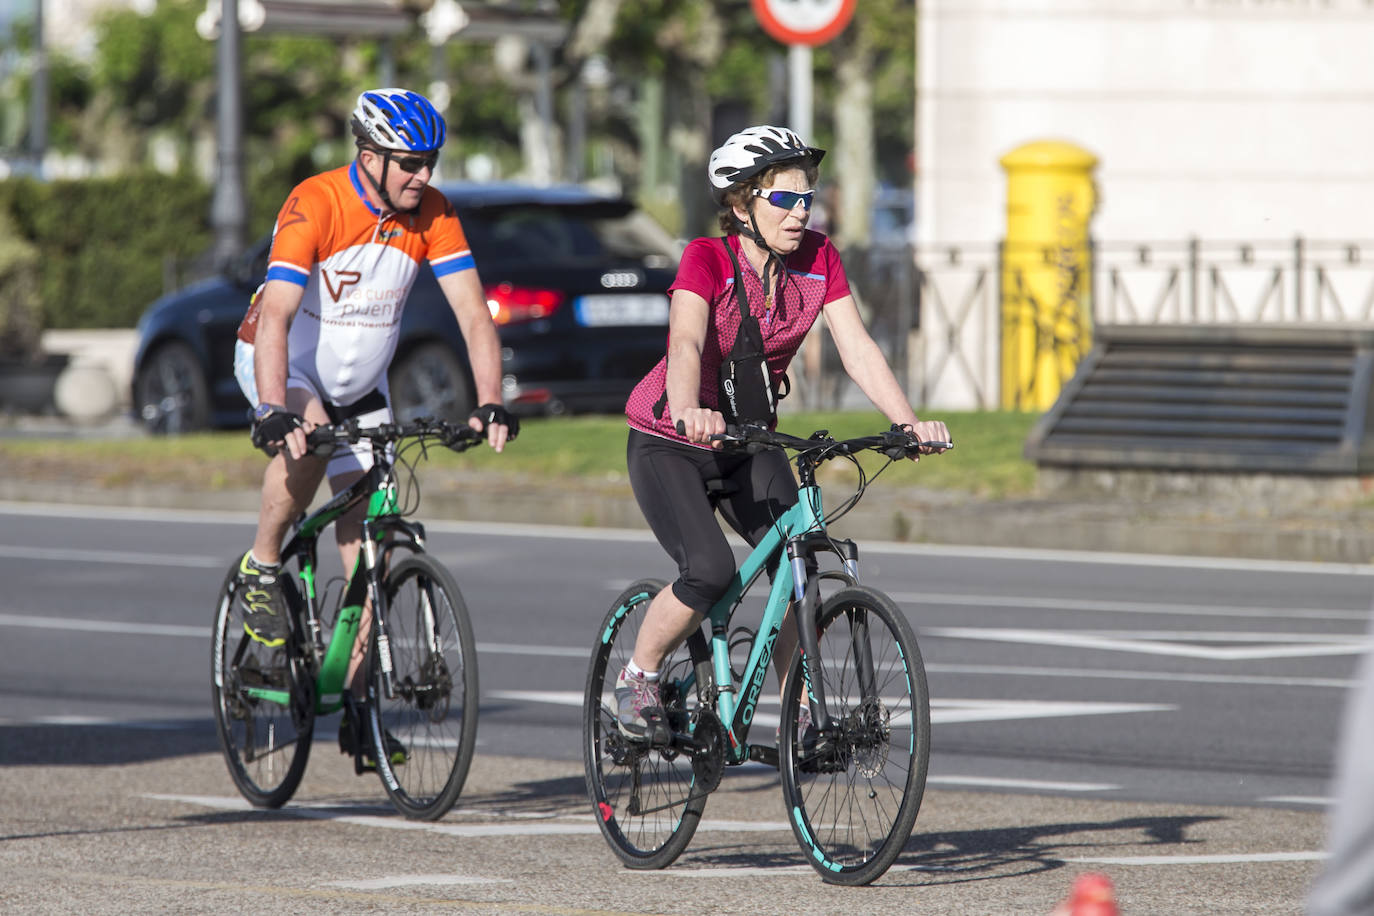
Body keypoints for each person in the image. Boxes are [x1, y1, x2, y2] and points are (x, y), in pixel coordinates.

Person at [616, 124, 950, 740]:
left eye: (807, 198)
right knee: (709, 571)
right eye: (784, 199)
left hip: (748, 440)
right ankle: (639, 676)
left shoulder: (819, 258)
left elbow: (856, 347)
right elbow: (686, 341)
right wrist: (689, 406)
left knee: (800, 561)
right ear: (742, 205)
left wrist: (906, 424)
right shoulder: (707, 259)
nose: (801, 213)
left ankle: (802, 704)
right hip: (672, 439)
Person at [231, 87, 516, 770]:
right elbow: (274, 317)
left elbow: (475, 315)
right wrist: (275, 408)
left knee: (371, 546)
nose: (423, 176)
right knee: (310, 437)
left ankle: (357, 703)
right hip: (284, 366)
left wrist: (490, 401)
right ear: (370, 156)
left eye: (430, 163)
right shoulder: (317, 201)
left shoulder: (434, 214)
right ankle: (263, 564)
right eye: (410, 164)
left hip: (365, 384)